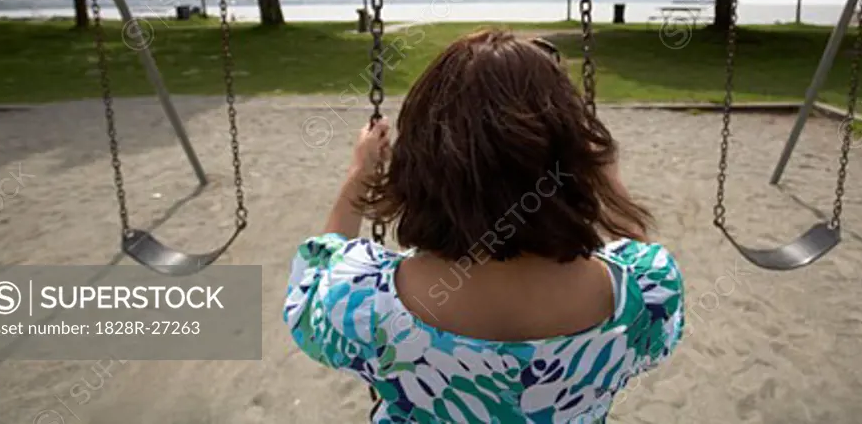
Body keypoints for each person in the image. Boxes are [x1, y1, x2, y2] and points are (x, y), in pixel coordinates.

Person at [284, 29, 685, 423]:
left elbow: (315, 276)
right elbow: (641, 261)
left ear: (420, 165)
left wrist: (360, 174)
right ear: (576, 164)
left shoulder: (361, 303)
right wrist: (602, 177)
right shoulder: (644, 293)